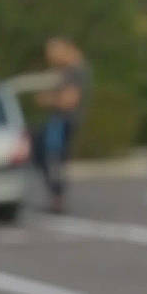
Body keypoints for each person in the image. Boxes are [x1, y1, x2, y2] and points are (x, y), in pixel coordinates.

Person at [25, 36, 92, 212]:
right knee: (43, 153)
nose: (50, 56)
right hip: (57, 121)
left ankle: (58, 197)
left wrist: (46, 99)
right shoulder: (64, 71)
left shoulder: (74, 71)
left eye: (53, 51)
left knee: (53, 158)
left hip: (63, 121)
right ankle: (56, 195)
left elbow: (69, 100)